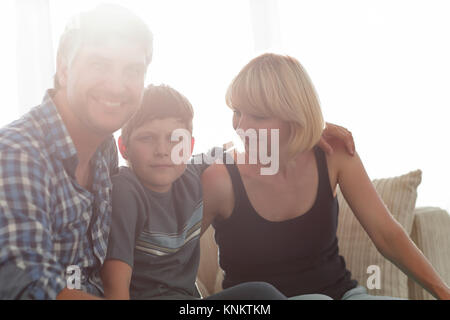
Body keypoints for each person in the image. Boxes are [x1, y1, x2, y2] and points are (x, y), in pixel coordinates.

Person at [200, 53, 450, 300]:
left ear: (293, 116)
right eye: (237, 112)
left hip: (344, 295)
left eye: (258, 116)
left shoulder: (333, 153)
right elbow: (169, 253)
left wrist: (443, 293)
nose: (241, 127)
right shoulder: (219, 178)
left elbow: (387, 235)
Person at [0, 4, 153, 299]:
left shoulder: (105, 147)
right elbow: (28, 287)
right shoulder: (16, 153)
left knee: (259, 296)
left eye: (133, 70)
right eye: (100, 64)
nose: (117, 86)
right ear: (64, 68)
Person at [100, 84, 289, 300]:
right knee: (262, 295)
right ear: (124, 147)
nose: (162, 150)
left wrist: (312, 132)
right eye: (147, 138)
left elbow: (235, 149)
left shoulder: (192, 173)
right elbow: (114, 286)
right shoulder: (125, 192)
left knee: (279, 296)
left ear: (188, 147)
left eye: (174, 139)